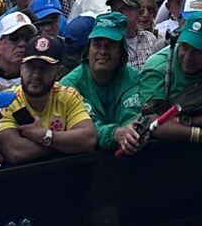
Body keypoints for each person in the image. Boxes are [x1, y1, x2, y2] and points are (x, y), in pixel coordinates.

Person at [136, 10, 202, 154]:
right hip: (163, 153)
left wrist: (188, 121)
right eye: (185, 46)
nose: (188, 56)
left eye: (198, 50)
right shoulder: (156, 66)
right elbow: (152, 122)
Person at [0, 34, 97, 164]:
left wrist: (45, 136)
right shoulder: (6, 100)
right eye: (30, 67)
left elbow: (88, 139)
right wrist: (65, 144)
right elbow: (16, 151)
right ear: (21, 68)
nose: (36, 75)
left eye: (44, 68)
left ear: (59, 72)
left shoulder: (68, 96)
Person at [61, 11, 144, 153]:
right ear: (87, 51)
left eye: (110, 45)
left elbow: (132, 117)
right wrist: (114, 134)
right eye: (97, 45)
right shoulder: (69, 86)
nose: (103, 51)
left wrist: (129, 132)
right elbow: (85, 130)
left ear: (122, 52)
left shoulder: (133, 78)